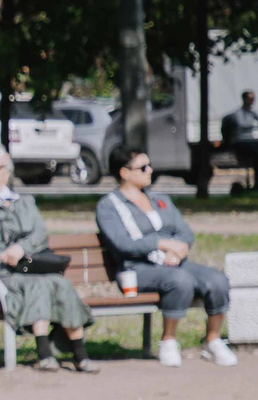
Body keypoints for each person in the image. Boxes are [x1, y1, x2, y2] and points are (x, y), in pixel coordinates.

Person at [0, 149, 94, 372]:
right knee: (38, 285)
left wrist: (21, 249)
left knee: (61, 284)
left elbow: (40, 233)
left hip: (26, 267)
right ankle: (44, 354)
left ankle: (81, 355)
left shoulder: (24, 202)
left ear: (7, 174)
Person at [97, 151, 237, 368]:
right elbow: (123, 244)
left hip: (174, 263)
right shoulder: (109, 206)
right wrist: (160, 244)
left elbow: (184, 232)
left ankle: (213, 339)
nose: (150, 170)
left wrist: (177, 251)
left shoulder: (160, 199)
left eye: (149, 165)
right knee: (179, 280)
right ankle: (168, 341)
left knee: (217, 280)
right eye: (143, 167)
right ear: (124, 173)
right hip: (136, 269)